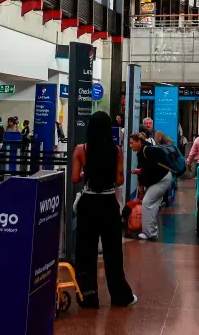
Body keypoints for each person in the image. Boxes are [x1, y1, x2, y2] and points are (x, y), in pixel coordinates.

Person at [72, 111, 137, 308]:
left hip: (88, 203)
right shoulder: (116, 150)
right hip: (108, 203)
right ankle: (120, 296)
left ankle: (88, 297)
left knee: (86, 250)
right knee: (113, 251)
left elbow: (74, 178)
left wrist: (87, 173)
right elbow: (119, 180)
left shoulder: (81, 149)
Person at [129, 129, 171, 240]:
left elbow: (152, 168)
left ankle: (149, 233)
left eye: (132, 143)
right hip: (162, 178)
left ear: (139, 142)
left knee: (147, 202)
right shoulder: (144, 151)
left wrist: (140, 171)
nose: (130, 145)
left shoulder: (147, 150)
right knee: (151, 204)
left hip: (162, 179)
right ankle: (151, 231)